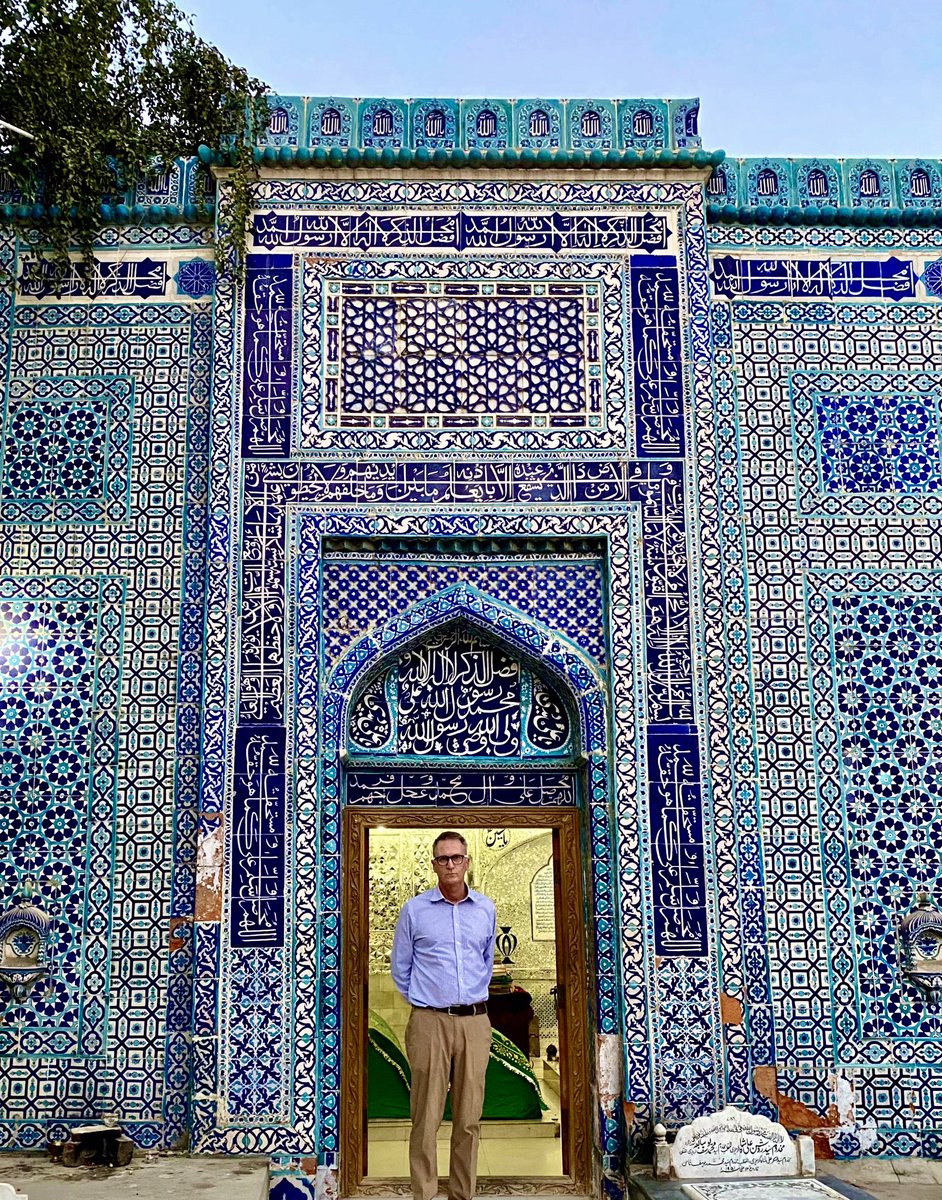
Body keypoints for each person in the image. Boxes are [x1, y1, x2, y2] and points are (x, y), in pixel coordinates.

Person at [391, 831, 496, 1200]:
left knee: (468, 1118)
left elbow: (486, 960)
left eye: (456, 857)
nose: (450, 864)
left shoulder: (485, 909)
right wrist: (427, 1002)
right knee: (426, 1117)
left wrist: (467, 998)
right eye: (442, 859)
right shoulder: (415, 911)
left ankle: (462, 1194)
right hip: (429, 1022)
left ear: (467, 862)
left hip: (475, 1024)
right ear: (434, 864)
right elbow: (401, 968)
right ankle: (424, 1193)